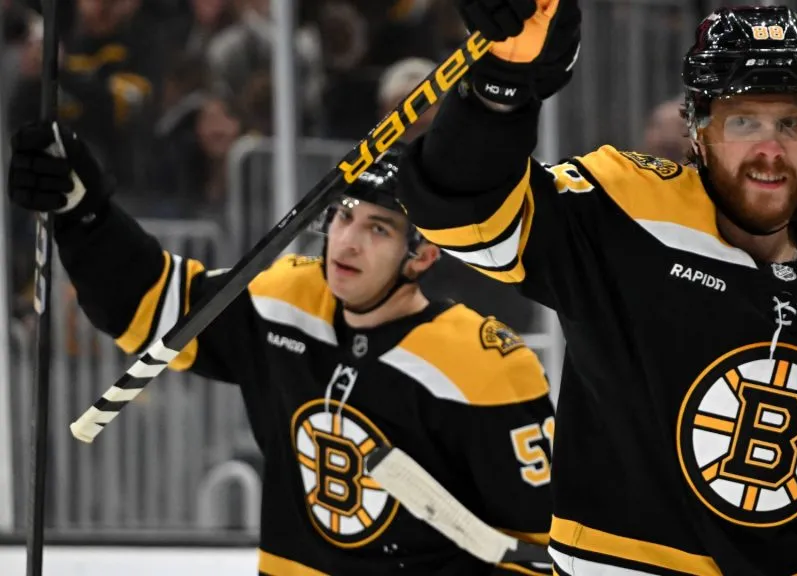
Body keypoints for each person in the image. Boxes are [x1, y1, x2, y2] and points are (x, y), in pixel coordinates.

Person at [393, 2, 797, 575]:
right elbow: (462, 213)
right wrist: (501, 89)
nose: (770, 148)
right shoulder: (624, 217)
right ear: (697, 131)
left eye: (792, 122)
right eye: (743, 121)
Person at [6, 128, 555, 575]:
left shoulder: (484, 367)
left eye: (379, 229)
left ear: (423, 256)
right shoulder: (286, 299)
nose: (347, 242)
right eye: (343, 216)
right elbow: (154, 307)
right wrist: (85, 214)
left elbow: (537, 549)